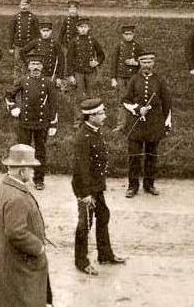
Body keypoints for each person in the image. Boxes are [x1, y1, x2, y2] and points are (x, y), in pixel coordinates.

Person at [0, 144, 53, 307]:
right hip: (21, 258)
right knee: (26, 302)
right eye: (31, 167)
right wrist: (38, 247)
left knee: (4, 296)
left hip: (4, 255)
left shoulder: (1, 187)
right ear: (20, 170)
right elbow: (16, 232)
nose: (34, 171)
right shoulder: (17, 196)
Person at [72, 99, 126, 276]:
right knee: (85, 225)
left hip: (96, 186)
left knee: (103, 216)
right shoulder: (83, 138)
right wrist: (86, 194)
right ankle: (81, 261)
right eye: (101, 113)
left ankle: (105, 254)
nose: (105, 116)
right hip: (87, 189)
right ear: (91, 116)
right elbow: (81, 169)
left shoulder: (94, 132)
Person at [4, 52, 59, 191]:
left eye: (38, 64)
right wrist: (14, 107)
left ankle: (39, 179)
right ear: (29, 66)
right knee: (23, 151)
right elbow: (9, 94)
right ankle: (19, 178)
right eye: (33, 64)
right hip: (25, 122)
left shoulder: (48, 83)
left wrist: (53, 123)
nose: (35, 67)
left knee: (40, 151)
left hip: (42, 122)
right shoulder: (23, 80)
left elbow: (53, 104)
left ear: (42, 67)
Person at [121, 52, 173, 198]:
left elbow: (167, 103)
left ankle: (149, 184)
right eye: (143, 63)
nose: (147, 66)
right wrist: (137, 109)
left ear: (153, 64)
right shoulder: (133, 80)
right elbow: (125, 101)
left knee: (151, 155)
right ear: (139, 64)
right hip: (136, 124)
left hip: (154, 124)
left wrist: (166, 124)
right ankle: (132, 186)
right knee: (134, 156)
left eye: (149, 62)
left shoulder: (160, 81)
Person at [66, 18, 105, 125]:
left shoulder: (93, 41)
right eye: (80, 27)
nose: (83, 29)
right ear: (77, 28)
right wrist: (70, 75)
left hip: (91, 72)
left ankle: (93, 118)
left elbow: (101, 54)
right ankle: (78, 119)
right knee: (79, 96)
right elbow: (69, 59)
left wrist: (97, 62)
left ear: (89, 28)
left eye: (85, 27)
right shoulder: (73, 42)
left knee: (92, 95)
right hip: (78, 72)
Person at [110, 25, 144, 128]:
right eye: (126, 34)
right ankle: (121, 124)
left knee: (134, 100)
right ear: (122, 35)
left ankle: (134, 123)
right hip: (121, 77)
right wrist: (113, 78)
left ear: (134, 34)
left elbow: (143, 61)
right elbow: (114, 63)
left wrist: (136, 63)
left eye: (130, 34)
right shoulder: (119, 46)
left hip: (133, 78)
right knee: (122, 100)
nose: (128, 36)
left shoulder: (137, 46)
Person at [21, 22, 64, 86]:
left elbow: (61, 60)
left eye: (47, 31)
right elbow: (22, 52)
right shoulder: (36, 42)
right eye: (43, 31)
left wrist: (59, 77)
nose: (45, 33)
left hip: (50, 73)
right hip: (37, 72)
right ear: (40, 31)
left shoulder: (55, 43)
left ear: (51, 31)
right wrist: (28, 62)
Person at [8, 0, 39, 83]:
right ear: (19, 5)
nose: (24, 6)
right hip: (18, 45)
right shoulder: (16, 17)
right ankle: (17, 83)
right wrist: (10, 46)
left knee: (30, 63)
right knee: (17, 64)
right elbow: (12, 33)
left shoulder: (33, 17)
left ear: (29, 6)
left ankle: (30, 82)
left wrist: (36, 45)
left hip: (29, 46)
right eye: (22, 4)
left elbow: (37, 34)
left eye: (26, 4)